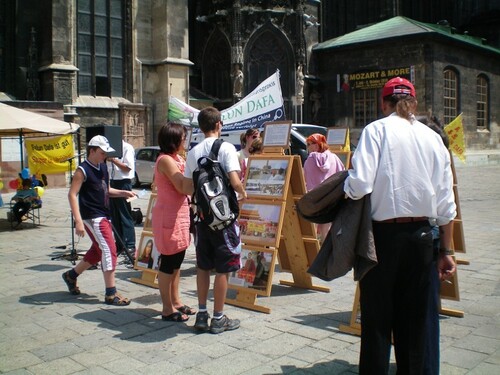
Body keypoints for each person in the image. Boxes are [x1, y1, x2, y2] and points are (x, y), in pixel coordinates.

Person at [344, 77, 457, 373]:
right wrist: (447, 250)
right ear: (414, 103)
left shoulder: (376, 130)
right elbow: (446, 205)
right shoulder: (433, 138)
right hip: (422, 237)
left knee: (377, 321)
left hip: (382, 238)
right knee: (416, 322)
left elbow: (359, 184)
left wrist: (345, 189)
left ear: (384, 104)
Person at [183, 106, 247, 334]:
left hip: (202, 219)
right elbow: (234, 180)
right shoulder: (227, 148)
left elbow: (188, 186)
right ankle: (218, 318)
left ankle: (202, 314)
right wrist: (244, 192)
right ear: (219, 124)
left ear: (200, 126)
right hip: (224, 220)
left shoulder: (193, 152)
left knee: (202, 266)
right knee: (223, 269)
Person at [62, 135, 136, 306]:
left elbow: (106, 190)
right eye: (102, 153)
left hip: (103, 214)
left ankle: (71, 276)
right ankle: (111, 293)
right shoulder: (82, 170)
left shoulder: (102, 167)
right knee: (109, 249)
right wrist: (78, 221)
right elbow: (72, 194)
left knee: (97, 251)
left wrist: (123, 193)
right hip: (93, 216)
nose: (105, 156)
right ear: (92, 150)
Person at [153, 122, 194, 322]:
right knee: (168, 262)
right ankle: (167, 308)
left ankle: (176, 300)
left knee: (177, 261)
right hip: (169, 216)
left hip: (180, 215)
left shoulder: (178, 158)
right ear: (174, 141)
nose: (184, 141)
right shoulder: (166, 160)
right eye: (182, 138)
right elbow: (182, 186)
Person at [303, 133, 345, 243]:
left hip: (315, 197)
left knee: (316, 223)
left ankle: (318, 248)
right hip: (331, 196)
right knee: (328, 224)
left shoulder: (311, 159)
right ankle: (327, 246)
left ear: (316, 145)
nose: (307, 147)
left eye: (308, 144)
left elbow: (306, 178)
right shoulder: (334, 158)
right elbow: (342, 174)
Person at [108, 139, 136, 258]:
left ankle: (130, 244)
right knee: (114, 216)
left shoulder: (126, 147)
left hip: (123, 182)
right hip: (111, 181)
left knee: (124, 215)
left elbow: (127, 168)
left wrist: (113, 159)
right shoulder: (107, 148)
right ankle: (119, 244)